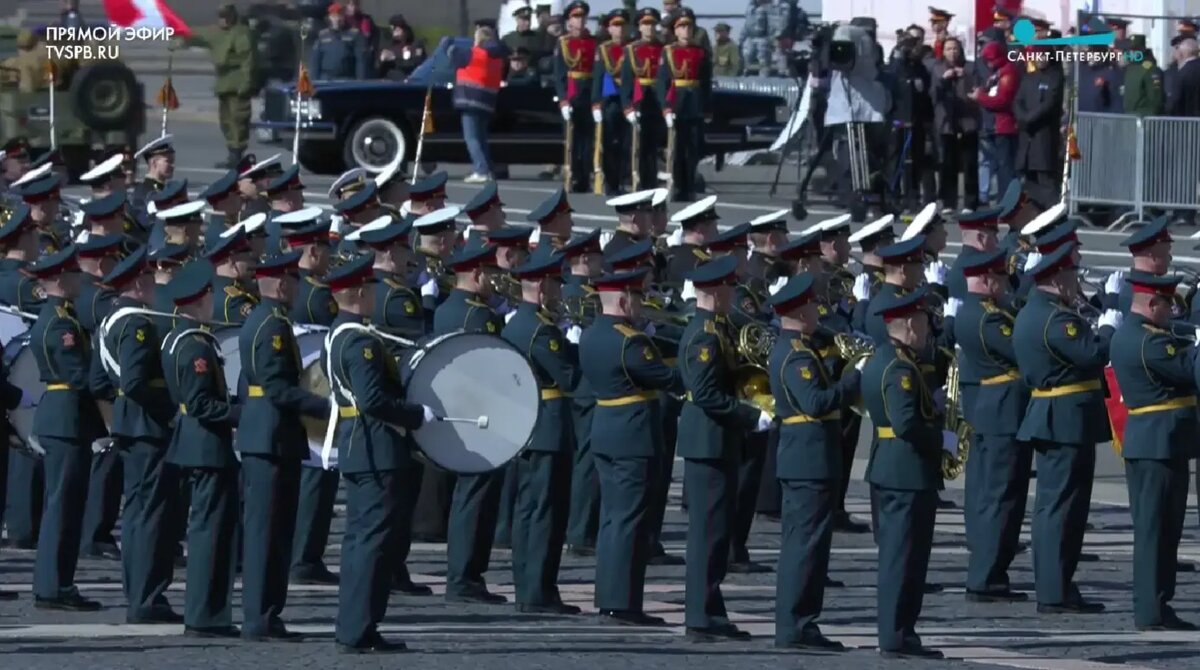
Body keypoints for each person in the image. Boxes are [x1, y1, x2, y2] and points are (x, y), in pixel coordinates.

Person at [323, 253, 434, 654]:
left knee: (360, 542)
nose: (375, 293)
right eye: (369, 287)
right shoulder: (361, 342)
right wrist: (417, 415)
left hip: (359, 446)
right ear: (355, 292)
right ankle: (359, 628)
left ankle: (356, 625)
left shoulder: (338, 333)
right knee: (372, 544)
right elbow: (372, 400)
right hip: (375, 447)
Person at [1014, 240, 1120, 614]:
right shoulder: (1056, 319)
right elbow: (1092, 354)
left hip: (1056, 417)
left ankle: (1056, 585)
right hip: (1065, 419)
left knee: (1054, 507)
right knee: (1064, 509)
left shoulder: (1035, 312)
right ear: (1058, 278)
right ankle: (1055, 589)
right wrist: (1107, 327)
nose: (1077, 281)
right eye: (1072, 274)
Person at [580, 267, 681, 625]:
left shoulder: (592, 335)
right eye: (638, 299)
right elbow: (669, 377)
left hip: (606, 430)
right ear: (623, 301)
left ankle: (609, 596)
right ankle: (623, 601)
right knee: (628, 522)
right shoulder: (630, 341)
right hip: (632, 436)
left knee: (612, 520)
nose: (643, 306)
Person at [677, 255, 770, 641]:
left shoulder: (715, 329)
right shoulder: (705, 336)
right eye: (729, 287)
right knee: (708, 534)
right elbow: (707, 395)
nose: (733, 293)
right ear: (714, 292)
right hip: (710, 442)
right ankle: (701, 615)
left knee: (715, 533)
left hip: (716, 443)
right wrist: (751, 417)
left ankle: (710, 609)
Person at [236, 248, 326, 641]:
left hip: (266, 434)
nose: (297, 288)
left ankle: (266, 613)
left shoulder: (264, 319)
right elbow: (276, 387)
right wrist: (325, 406)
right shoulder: (273, 325)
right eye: (293, 281)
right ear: (281, 282)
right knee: (268, 534)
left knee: (269, 532)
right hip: (273, 436)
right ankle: (262, 616)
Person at [768, 273, 859, 650]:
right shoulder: (796, 356)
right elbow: (816, 403)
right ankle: (797, 624)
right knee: (806, 546)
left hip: (808, 458)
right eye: (810, 306)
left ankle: (800, 622)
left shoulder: (799, 349)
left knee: (805, 544)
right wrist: (853, 378)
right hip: (809, 460)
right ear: (798, 312)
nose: (816, 311)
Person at [95, 247, 181, 623]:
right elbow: (134, 381)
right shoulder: (137, 324)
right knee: (150, 515)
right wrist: (171, 406)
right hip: (147, 425)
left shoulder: (113, 319)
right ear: (137, 282)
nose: (152, 285)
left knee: (137, 513)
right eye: (147, 279)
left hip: (132, 424)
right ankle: (147, 598)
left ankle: (141, 593)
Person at [1108, 271, 1198, 631]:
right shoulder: (1149, 343)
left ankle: (1159, 604)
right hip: (1157, 444)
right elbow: (1190, 371)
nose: (1172, 311)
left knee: (1163, 531)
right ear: (1151, 303)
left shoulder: (1141, 334)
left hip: (1160, 443)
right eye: (1168, 304)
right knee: (1154, 531)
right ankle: (1150, 609)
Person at [860, 286, 943, 659]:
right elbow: (907, 424)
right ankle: (896, 634)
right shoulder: (900, 368)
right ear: (909, 323)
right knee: (903, 559)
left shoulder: (885, 358)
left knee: (904, 557)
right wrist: (943, 438)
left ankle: (901, 631)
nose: (927, 329)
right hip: (905, 471)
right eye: (924, 321)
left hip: (894, 467)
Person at [161, 261, 241, 637]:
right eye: (210, 295)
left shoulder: (182, 337)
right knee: (210, 534)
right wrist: (243, 413)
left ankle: (208, 611)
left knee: (209, 530)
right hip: (206, 446)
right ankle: (205, 614)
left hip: (197, 445)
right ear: (200, 300)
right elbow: (201, 404)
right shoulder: (196, 345)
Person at [502, 245, 581, 614]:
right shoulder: (542, 330)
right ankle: (538, 591)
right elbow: (569, 377)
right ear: (541, 285)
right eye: (554, 284)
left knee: (528, 510)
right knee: (546, 512)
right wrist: (574, 346)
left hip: (525, 421)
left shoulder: (518, 321)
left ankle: (528, 585)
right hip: (548, 424)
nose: (559, 291)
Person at [26, 245, 104, 612]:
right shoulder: (60, 323)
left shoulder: (63, 316)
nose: (79, 280)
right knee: (62, 506)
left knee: (65, 505)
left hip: (66, 416)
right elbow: (78, 374)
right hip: (66, 416)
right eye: (73, 275)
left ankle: (57, 583)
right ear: (59, 280)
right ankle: (53, 586)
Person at [951, 247, 1030, 602]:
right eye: (1000, 278)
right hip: (1002, 413)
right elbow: (1022, 352)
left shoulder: (976, 312)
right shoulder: (988, 319)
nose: (1004, 285)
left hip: (990, 409)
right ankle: (988, 576)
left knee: (991, 495)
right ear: (985, 279)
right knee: (1002, 497)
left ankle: (988, 572)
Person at [432, 238, 507, 603]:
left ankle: (462, 574)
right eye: (491, 273)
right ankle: (465, 576)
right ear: (476, 274)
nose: (495, 280)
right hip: (480, 414)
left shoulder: (448, 307)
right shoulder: (479, 315)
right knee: (475, 499)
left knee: (467, 495)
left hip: (457, 408)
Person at [562, 230, 604, 556]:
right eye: (598, 257)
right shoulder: (578, 298)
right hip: (587, 389)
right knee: (587, 463)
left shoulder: (584, 294)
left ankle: (582, 528)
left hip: (587, 388)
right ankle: (580, 531)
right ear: (586, 259)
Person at [179, 5, 257, 168]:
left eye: (226, 16)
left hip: (238, 82)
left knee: (238, 119)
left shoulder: (241, 34)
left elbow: (248, 61)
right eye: (220, 16)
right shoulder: (216, 33)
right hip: (224, 83)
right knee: (225, 120)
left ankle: (237, 154)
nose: (223, 20)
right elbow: (197, 35)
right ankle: (232, 153)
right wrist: (180, 36)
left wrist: (247, 82)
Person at [657, 9, 712, 202]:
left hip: (695, 104)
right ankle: (679, 185)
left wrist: (706, 108)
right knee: (677, 148)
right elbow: (662, 82)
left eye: (688, 26)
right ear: (675, 30)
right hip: (677, 103)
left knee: (693, 148)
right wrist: (666, 107)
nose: (686, 30)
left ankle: (690, 185)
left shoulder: (701, 52)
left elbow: (706, 82)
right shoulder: (668, 51)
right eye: (681, 27)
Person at [450, 25, 509, 183]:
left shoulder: (473, 53)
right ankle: (486, 167)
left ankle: (481, 169)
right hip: (487, 101)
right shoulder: (497, 58)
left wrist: (447, 43)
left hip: (469, 100)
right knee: (481, 137)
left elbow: (453, 55)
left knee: (472, 137)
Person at [931, 36, 980, 212]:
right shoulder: (937, 68)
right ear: (943, 52)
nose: (952, 52)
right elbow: (934, 95)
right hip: (946, 123)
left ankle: (970, 202)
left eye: (955, 49)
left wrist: (963, 76)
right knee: (948, 164)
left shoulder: (970, 68)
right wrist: (945, 79)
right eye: (949, 49)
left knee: (969, 164)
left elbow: (977, 89)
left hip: (968, 122)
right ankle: (948, 201)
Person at [553, 1, 597, 193]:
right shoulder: (563, 43)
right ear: (569, 21)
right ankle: (572, 174)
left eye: (582, 17)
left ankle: (584, 176)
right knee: (572, 139)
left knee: (588, 140)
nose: (579, 21)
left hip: (589, 93)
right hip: (572, 94)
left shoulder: (593, 42)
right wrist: (563, 100)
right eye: (575, 17)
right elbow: (559, 74)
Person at [621, 8, 666, 192]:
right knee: (636, 144)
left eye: (652, 24)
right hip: (640, 100)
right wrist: (628, 106)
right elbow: (626, 82)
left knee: (653, 144)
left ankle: (651, 179)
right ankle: (634, 178)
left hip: (657, 101)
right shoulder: (632, 50)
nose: (649, 28)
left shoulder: (663, 49)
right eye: (646, 24)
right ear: (639, 27)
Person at [973, 38, 1018, 207]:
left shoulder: (1008, 72)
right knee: (996, 164)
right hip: (993, 125)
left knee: (1004, 166)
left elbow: (1003, 100)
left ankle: (1006, 201)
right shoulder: (998, 73)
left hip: (1004, 125)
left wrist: (980, 97)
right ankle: (1001, 199)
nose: (988, 64)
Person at [592, 10, 632, 196]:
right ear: (609, 28)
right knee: (609, 143)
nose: (619, 30)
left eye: (622, 26)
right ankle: (611, 181)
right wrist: (596, 103)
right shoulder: (604, 49)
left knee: (627, 143)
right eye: (615, 26)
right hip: (610, 100)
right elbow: (598, 77)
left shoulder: (631, 48)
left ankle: (625, 177)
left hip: (629, 100)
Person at [206, 230, 258, 324]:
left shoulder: (208, 290)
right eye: (250, 259)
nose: (254, 265)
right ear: (232, 263)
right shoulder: (235, 300)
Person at [310, 3, 368, 81]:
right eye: (334, 16)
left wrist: (360, 81)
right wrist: (314, 81)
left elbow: (360, 61)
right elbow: (315, 62)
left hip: (347, 79)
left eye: (339, 16)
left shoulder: (354, 35)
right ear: (329, 18)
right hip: (325, 79)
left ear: (344, 17)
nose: (336, 19)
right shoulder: (322, 36)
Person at [131, 136, 176, 222]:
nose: (172, 166)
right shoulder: (144, 191)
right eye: (168, 161)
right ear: (154, 163)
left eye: (172, 162)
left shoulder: (164, 189)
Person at [1123, 35, 1165, 117]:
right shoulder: (1130, 69)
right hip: (1130, 118)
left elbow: (1155, 98)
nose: (1130, 53)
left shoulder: (1150, 69)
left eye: (1133, 50)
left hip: (1145, 118)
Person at [377, 15, 426, 79]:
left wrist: (395, 59)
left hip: (410, 79)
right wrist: (381, 60)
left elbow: (417, 63)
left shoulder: (416, 44)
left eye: (396, 28)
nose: (394, 31)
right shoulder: (389, 45)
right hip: (390, 81)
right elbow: (378, 68)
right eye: (392, 29)